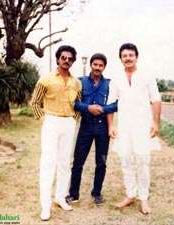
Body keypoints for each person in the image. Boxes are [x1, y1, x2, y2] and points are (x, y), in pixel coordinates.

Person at [106, 43, 161, 214]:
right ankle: (131, 195)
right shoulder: (116, 78)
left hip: (142, 127)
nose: (128, 58)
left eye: (131, 55)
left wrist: (156, 123)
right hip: (124, 127)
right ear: (121, 59)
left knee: (143, 163)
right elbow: (110, 103)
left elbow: (156, 99)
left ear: (136, 57)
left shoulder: (147, 75)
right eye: (124, 56)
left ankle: (143, 198)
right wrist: (110, 126)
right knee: (126, 162)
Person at [31, 45, 82, 221]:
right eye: (63, 58)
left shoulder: (77, 83)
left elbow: (79, 104)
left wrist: (74, 120)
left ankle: (60, 197)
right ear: (58, 59)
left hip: (68, 123)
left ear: (73, 61)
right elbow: (35, 103)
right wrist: (44, 121)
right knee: (48, 163)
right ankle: (45, 206)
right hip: (51, 121)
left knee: (64, 163)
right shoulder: (45, 80)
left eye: (70, 58)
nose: (66, 61)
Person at [65, 53, 117, 206]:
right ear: (91, 65)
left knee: (101, 162)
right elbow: (73, 102)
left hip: (102, 127)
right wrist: (88, 107)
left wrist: (102, 109)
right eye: (95, 65)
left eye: (101, 65)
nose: (97, 68)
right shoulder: (80, 82)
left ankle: (97, 193)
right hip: (86, 126)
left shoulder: (109, 84)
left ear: (104, 67)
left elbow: (116, 104)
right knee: (78, 162)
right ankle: (73, 194)